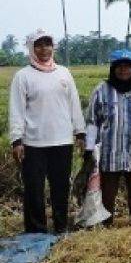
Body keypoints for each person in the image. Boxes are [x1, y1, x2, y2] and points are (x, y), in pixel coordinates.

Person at [8, 29, 86, 233]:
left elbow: (74, 104)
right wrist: (17, 140)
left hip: (62, 140)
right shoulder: (23, 76)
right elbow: (16, 109)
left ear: (53, 47)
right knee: (34, 188)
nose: (44, 49)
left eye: (47, 44)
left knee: (61, 186)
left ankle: (61, 226)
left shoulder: (64, 73)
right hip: (34, 142)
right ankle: (36, 230)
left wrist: (80, 132)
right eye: (39, 45)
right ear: (32, 48)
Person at [84, 50, 131, 226]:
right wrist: (89, 147)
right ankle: (106, 224)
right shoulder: (101, 90)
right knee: (108, 192)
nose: (124, 70)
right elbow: (93, 121)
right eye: (120, 67)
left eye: (128, 67)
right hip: (110, 151)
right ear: (113, 68)